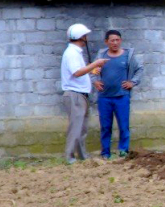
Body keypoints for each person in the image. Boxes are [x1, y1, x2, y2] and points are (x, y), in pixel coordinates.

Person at [95, 29, 144, 159]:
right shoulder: (101, 56)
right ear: (106, 42)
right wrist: (95, 81)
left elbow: (139, 69)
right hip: (104, 97)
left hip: (122, 96)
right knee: (105, 126)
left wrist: (132, 82)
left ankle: (123, 150)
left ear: (121, 41)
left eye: (117, 40)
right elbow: (92, 71)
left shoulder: (128, 56)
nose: (115, 43)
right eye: (112, 40)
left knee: (123, 125)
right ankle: (105, 152)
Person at [60, 23, 104, 162]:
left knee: (81, 128)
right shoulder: (72, 53)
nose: (86, 38)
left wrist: (91, 70)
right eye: (85, 36)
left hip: (80, 95)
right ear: (81, 37)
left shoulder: (75, 53)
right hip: (75, 95)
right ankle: (70, 157)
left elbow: (80, 71)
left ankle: (81, 156)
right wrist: (95, 64)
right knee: (76, 127)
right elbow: (77, 72)